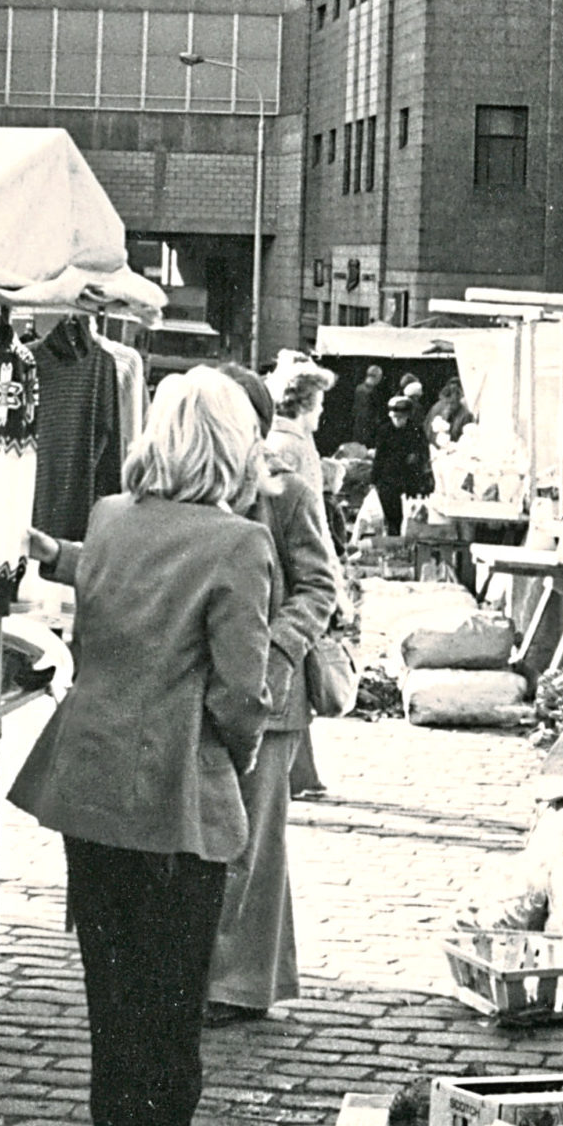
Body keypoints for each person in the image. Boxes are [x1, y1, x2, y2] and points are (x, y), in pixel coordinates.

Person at [10, 370, 276, 1126]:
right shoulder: (239, 544)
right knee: (168, 1045)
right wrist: (231, 763)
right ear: (236, 447)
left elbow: (88, 588)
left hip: (90, 797)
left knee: (114, 1028)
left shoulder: (115, 518)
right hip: (174, 812)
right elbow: (242, 696)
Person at [205, 365, 340, 1023]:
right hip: (213, 686)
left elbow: (321, 585)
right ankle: (243, 977)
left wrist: (279, 649)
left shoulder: (285, 494)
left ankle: (237, 986)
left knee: (256, 843)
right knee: (240, 840)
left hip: (274, 695)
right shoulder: (201, 488)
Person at [267, 359, 343, 802]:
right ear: (305, 403)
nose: (322, 414)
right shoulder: (294, 446)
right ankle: (300, 774)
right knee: (298, 672)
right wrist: (333, 580)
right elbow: (310, 521)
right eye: (320, 404)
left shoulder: (289, 441)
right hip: (295, 573)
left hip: (284, 571)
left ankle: (303, 772)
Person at [366, 388, 433, 534]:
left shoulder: (415, 430)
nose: (397, 421)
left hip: (409, 480)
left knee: (410, 516)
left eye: (400, 418)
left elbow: (424, 451)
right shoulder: (384, 431)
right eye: (395, 418)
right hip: (389, 479)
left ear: (407, 416)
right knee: (392, 518)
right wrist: (373, 480)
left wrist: (416, 456)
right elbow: (379, 457)